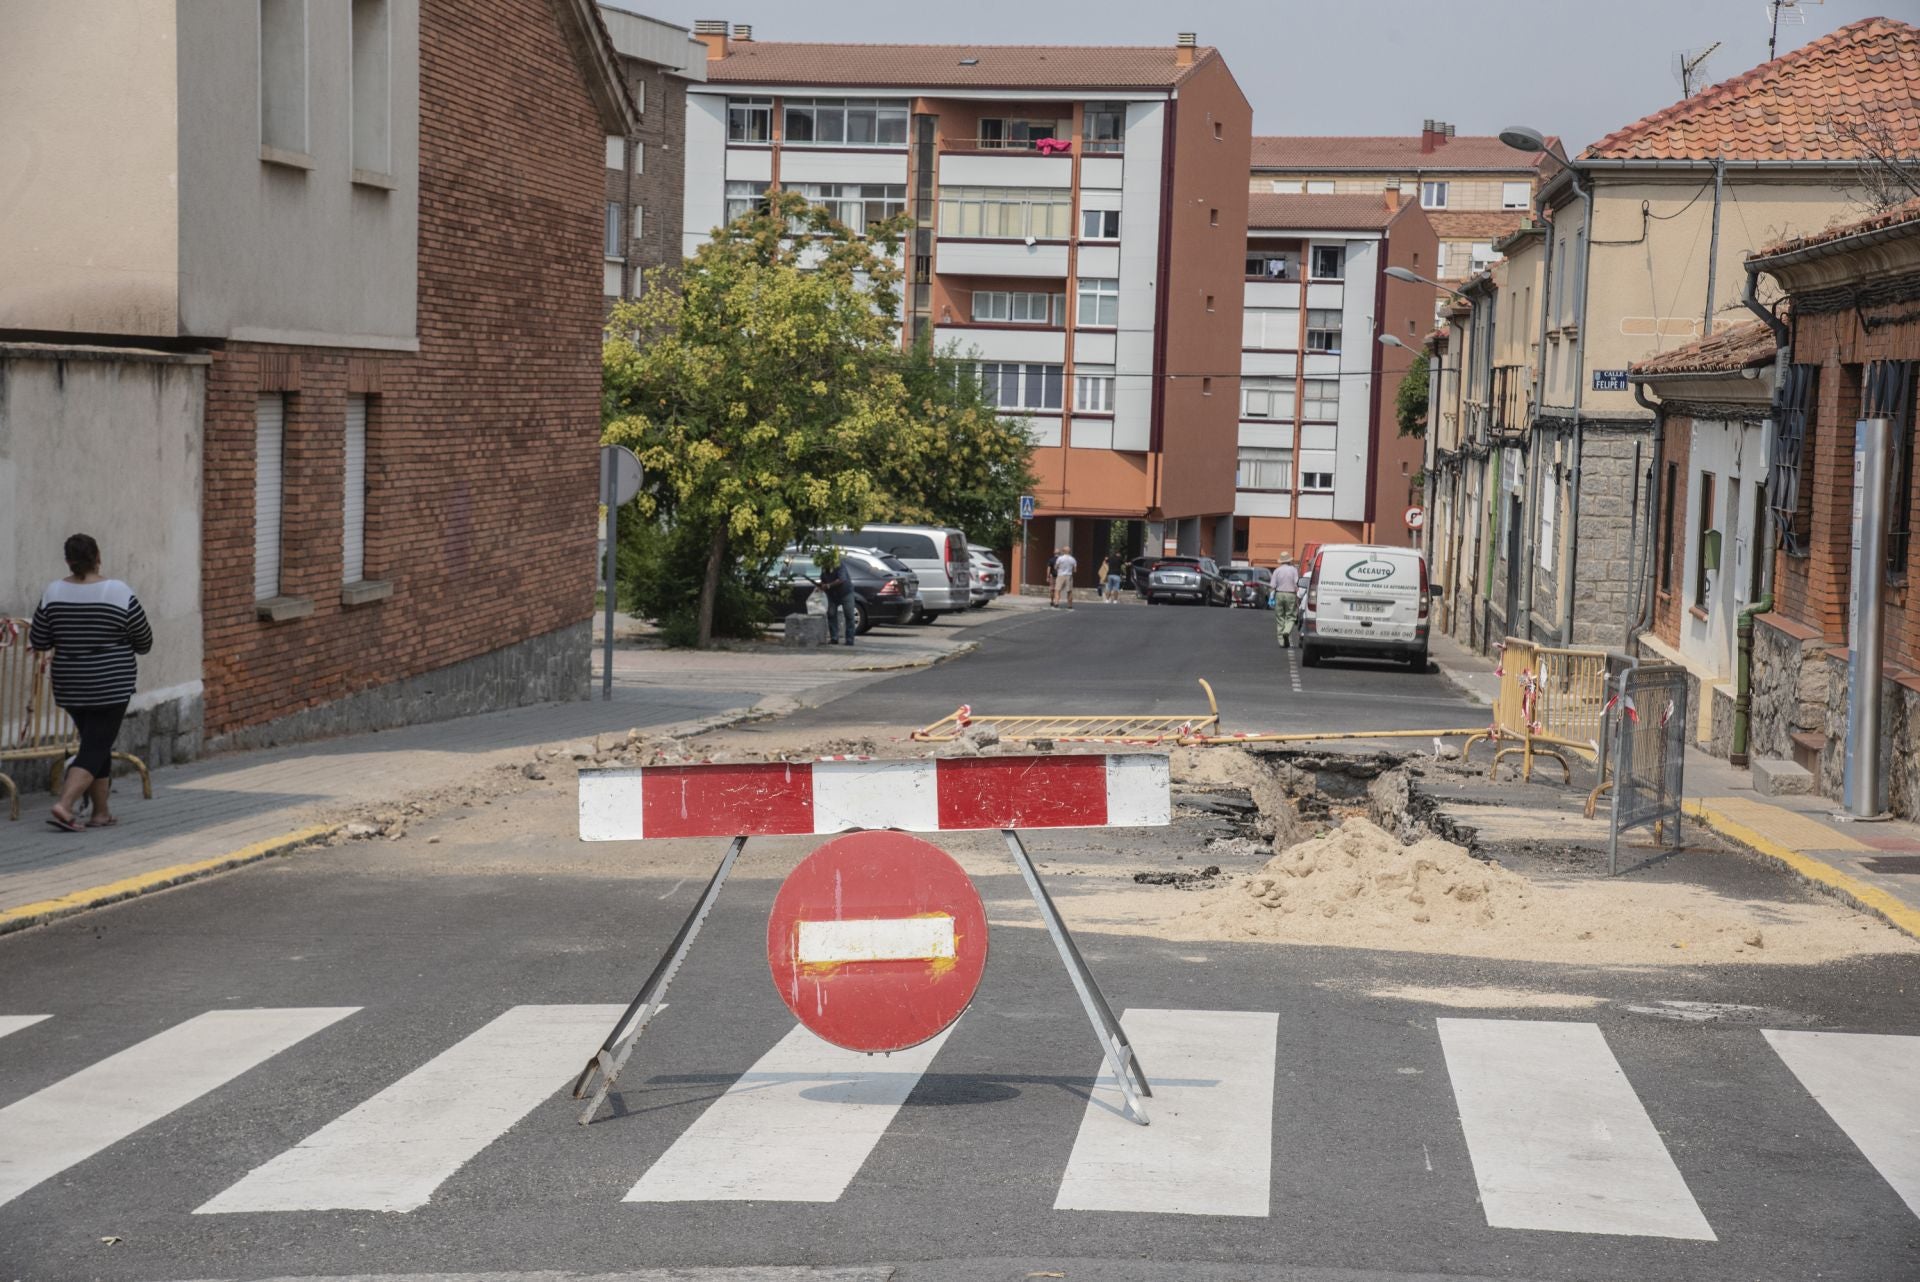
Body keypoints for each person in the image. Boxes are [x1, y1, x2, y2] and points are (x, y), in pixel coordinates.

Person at [28, 534, 153, 832]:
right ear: (98, 556)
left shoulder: (53, 592)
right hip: (111, 682)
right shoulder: (118, 592)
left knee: (96, 743)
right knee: (97, 745)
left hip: (70, 684)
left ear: (68, 561)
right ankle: (66, 804)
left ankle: (101, 812)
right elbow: (144, 641)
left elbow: (40, 639)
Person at [816, 553, 857, 646]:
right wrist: (821, 586)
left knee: (849, 615)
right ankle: (834, 638)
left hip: (846, 593)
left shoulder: (839, 565)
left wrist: (828, 585)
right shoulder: (824, 568)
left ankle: (850, 639)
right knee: (831, 614)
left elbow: (842, 579)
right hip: (832, 594)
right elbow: (823, 579)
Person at [1271, 554, 1301, 649]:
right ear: (1289, 561)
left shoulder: (1277, 571)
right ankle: (1287, 631)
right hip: (1290, 594)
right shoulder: (1293, 570)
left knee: (1280, 617)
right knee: (1291, 616)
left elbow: (1272, 585)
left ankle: (1281, 642)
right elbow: (1297, 583)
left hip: (1279, 594)